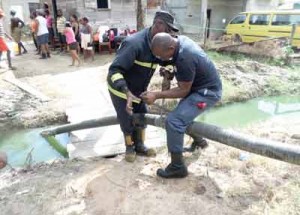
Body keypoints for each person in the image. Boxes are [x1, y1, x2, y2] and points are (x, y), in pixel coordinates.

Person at [140, 32, 222, 178]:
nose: (161, 59)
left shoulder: (185, 56)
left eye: (162, 55)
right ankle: (200, 142)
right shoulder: (180, 41)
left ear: (171, 47)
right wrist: (170, 68)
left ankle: (177, 167)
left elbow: (184, 91)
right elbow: (178, 63)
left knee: (174, 121)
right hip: (197, 87)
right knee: (182, 116)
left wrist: (156, 95)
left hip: (207, 93)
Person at [107, 11, 179, 162]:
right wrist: (126, 93)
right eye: (168, 30)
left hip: (140, 90)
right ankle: (129, 147)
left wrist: (168, 70)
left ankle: (140, 146)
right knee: (126, 120)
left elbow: (165, 61)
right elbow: (114, 71)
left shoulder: (160, 43)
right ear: (158, 25)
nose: (169, 34)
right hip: (122, 90)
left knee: (142, 116)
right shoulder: (134, 43)